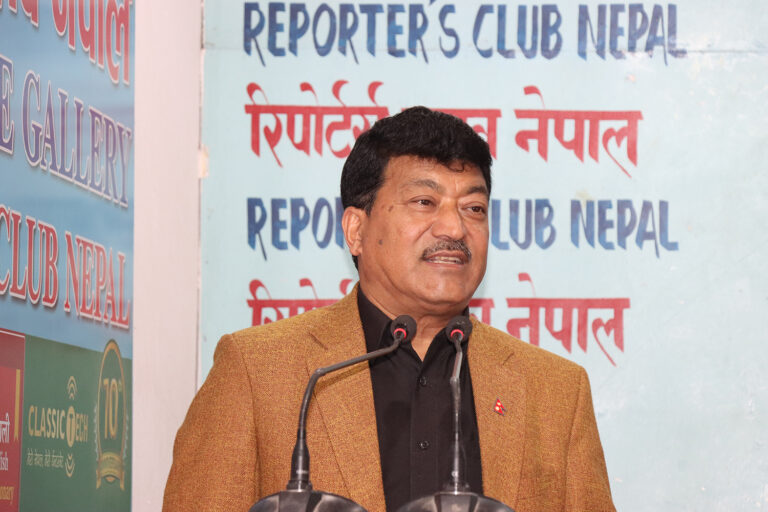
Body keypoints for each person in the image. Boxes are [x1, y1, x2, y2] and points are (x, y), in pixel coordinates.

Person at [163, 107, 616, 512]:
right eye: (424, 202)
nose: (455, 227)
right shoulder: (258, 371)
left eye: (474, 208)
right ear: (356, 230)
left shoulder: (555, 391)